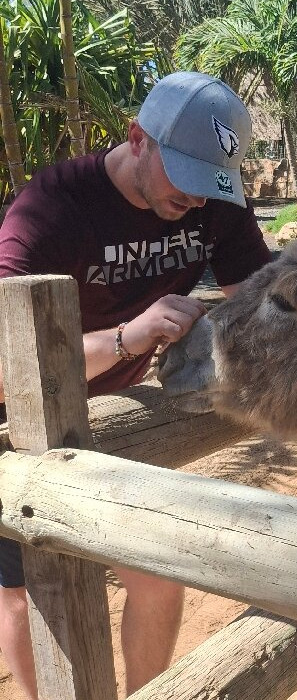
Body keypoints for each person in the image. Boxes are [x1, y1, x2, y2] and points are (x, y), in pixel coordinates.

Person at [0, 71, 273, 698]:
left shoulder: (214, 206)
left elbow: (265, 303)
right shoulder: (51, 209)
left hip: (114, 414)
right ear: (137, 140)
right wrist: (128, 336)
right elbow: (7, 367)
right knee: (29, 592)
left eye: (214, 184)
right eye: (187, 179)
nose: (200, 201)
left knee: (156, 573)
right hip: (19, 419)